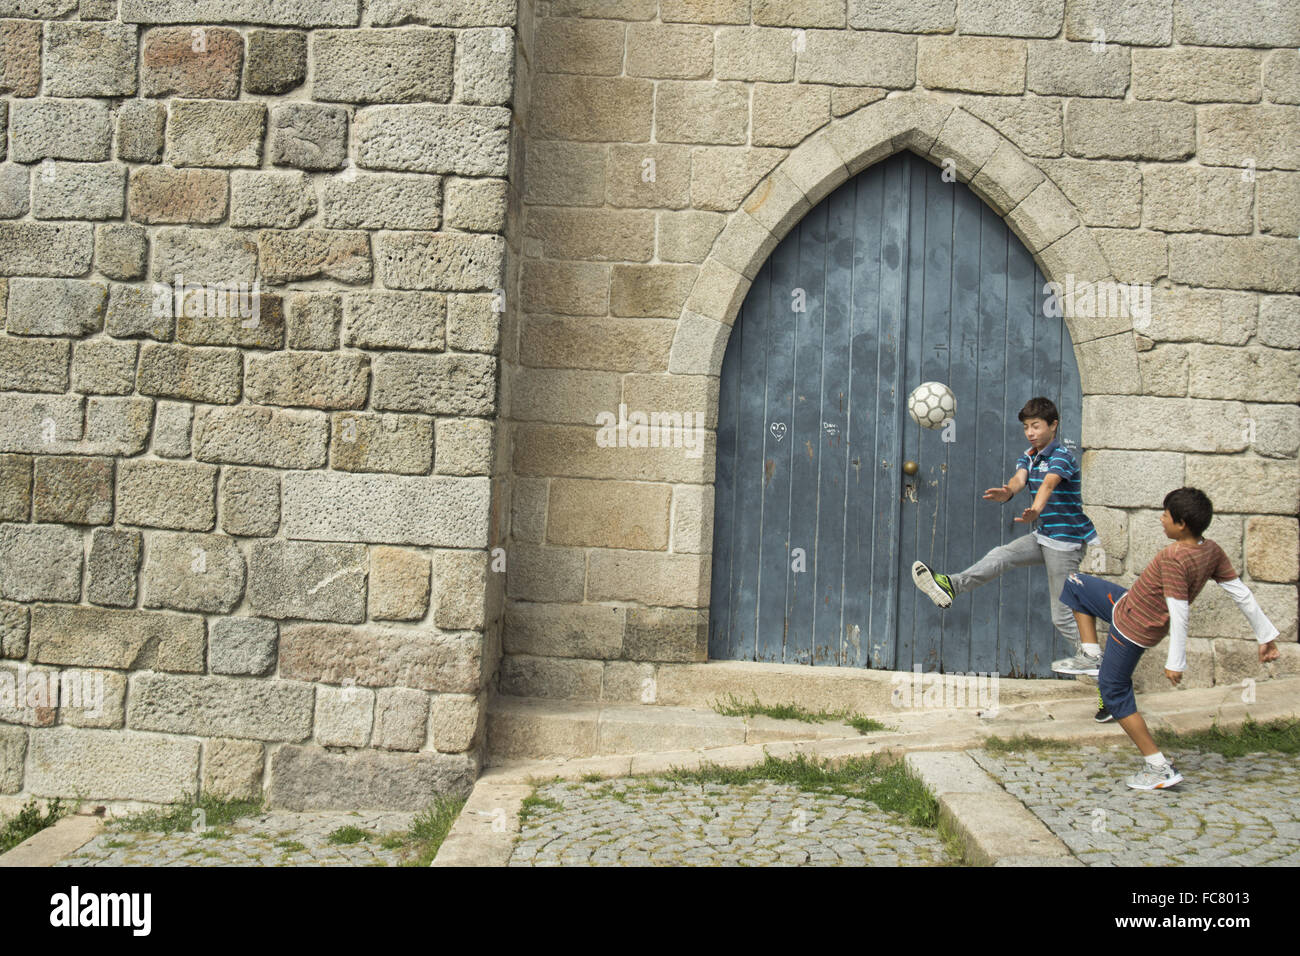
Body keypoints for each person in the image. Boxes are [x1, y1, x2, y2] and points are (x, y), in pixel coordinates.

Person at [1056, 487, 1280, 790]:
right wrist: (1266, 636)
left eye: (1165, 515)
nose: (1161, 519)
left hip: (1133, 627)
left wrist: (1177, 662)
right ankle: (1091, 654)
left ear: (1181, 524)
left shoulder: (1175, 557)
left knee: (1113, 692)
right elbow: (1241, 592)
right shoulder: (1210, 549)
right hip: (1126, 603)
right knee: (1075, 584)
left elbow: (1179, 610)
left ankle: (1158, 767)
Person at [910, 396, 1100, 674]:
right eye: (1026, 427)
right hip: (1043, 537)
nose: (1030, 433)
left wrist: (1036, 509)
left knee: (1062, 617)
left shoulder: (1062, 457)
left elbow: (1049, 484)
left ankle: (1100, 668)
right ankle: (951, 584)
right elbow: (1019, 479)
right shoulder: (1030, 456)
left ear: (1053, 425)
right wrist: (1009, 491)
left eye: (1036, 426)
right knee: (1001, 556)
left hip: (1065, 544)